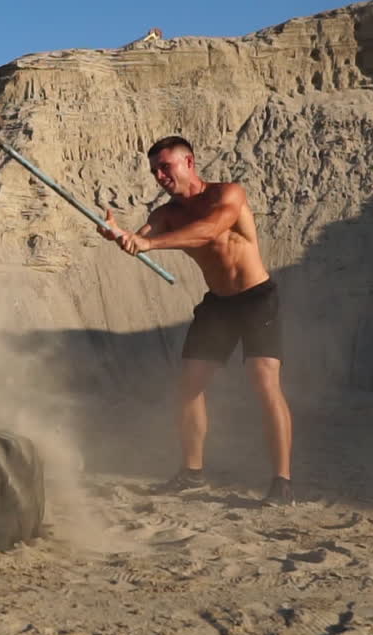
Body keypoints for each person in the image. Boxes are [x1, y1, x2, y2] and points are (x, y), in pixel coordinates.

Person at [102, 136, 294, 506]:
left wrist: (148, 245)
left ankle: (281, 481)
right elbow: (138, 240)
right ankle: (192, 474)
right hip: (218, 305)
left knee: (264, 382)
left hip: (257, 300)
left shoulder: (228, 195)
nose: (159, 176)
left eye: (165, 167)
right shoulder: (165, 215)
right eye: (155, 170)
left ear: (189, 163)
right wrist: (118, 236)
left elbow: (209, 231)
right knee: (188, 385)